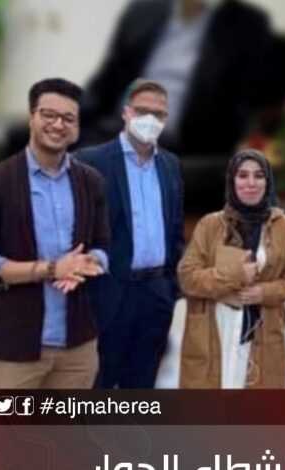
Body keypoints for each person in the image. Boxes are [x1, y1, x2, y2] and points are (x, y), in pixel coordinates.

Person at [0, 78, 110, 388]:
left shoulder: (92, 182)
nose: (58, 124)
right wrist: (51, 269)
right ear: (31, 118)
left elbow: (103, 245)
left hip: (79, 345)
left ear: (77, 127)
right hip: (16, 346)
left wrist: (90, 263)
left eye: (68, 118)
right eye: (49, 114)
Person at [77, 79, 184, 388]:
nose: (150, 119)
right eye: (142, 111)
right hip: (108, 294)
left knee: (144, 385)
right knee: (98, 385)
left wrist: (170, 287)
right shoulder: (90, 162)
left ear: (165, 119)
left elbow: (174, 230)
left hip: (156, 294)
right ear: (126, 112)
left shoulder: (170, 165)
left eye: (158, 114)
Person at [78, 0, 273, 158]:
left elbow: (243, 107)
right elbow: (105, 83)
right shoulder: (143, 11)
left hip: (180, 146)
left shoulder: (246, 24)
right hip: (114, 130)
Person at [177, 149, 285, 388]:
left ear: (268, 181)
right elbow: (187, 277)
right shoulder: (210, 224)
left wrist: (263, 293)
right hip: (214, 331)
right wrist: (234, 275)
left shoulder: (284, 227)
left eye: (258, 175)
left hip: (263, 335)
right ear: (232, 181)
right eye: (243, 175)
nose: (251, 183)